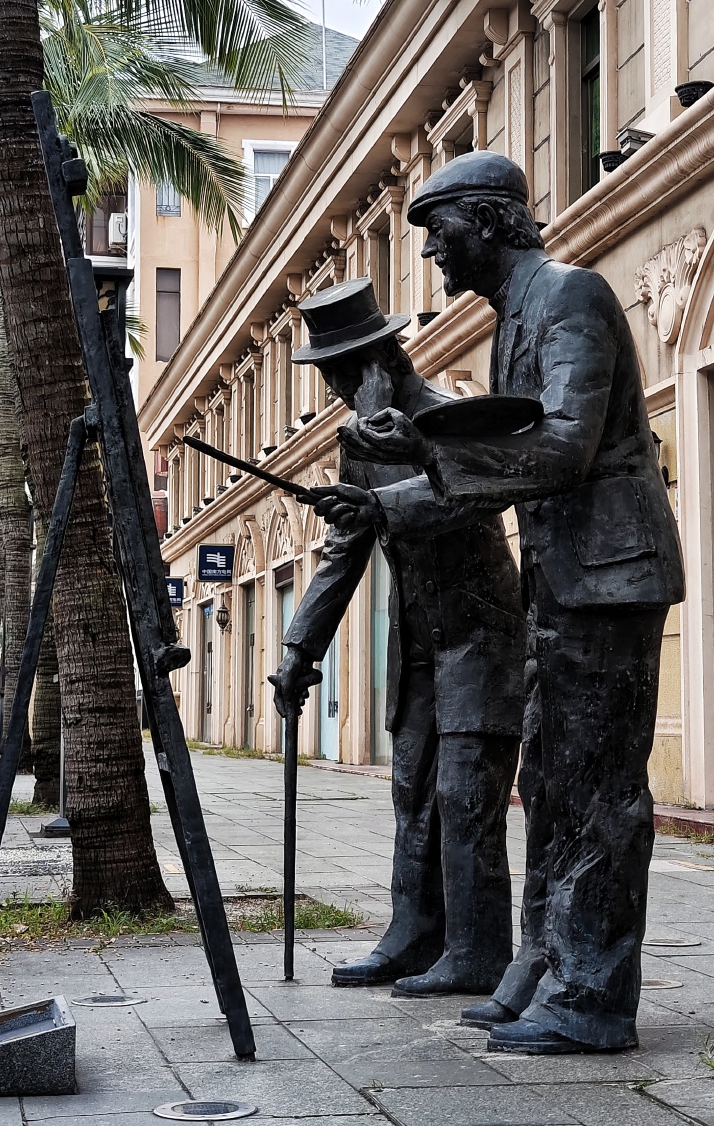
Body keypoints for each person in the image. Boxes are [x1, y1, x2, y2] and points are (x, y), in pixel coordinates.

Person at [344, 151, 685, 1054]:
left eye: (439, 232)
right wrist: (386, 495)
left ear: (490, 220)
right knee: (548, 781)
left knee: (597, 788)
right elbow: (505, 471)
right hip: (569, 583)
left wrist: (423, 451)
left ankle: (594, 995)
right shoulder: (515, 316)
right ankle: (541, 963)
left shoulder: (569, 295)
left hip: (607, 581)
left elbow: (564, 449)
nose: (433, 255)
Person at [270, 277, 525, 996]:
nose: (332, 392)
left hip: (480, 632)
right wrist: (298, 649)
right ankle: (413, 934)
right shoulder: (357, 442)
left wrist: (389, 478)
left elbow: (474, 497)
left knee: (466, 795)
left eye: (337, 375)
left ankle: (476, 951)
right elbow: (342, 552)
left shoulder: (450, 421)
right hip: (417, 638)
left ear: (377, 362)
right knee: (412, 792)